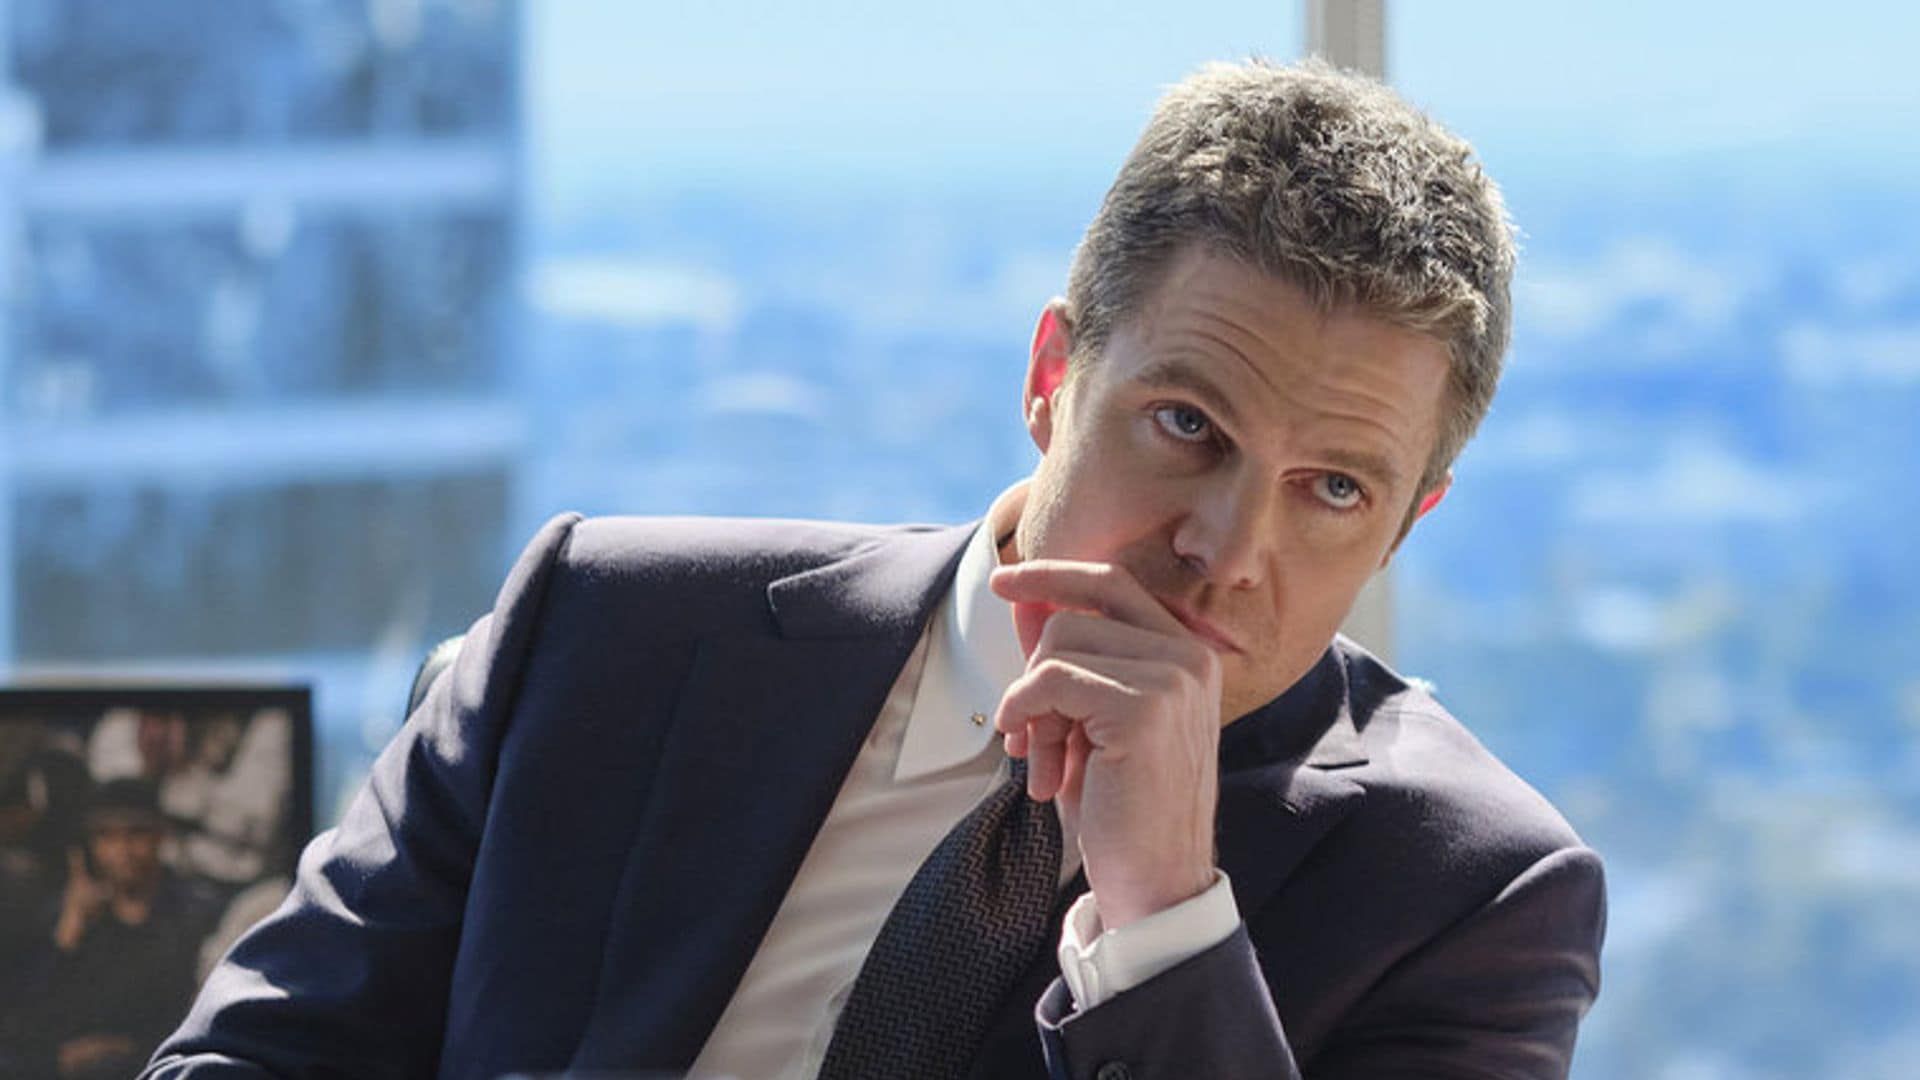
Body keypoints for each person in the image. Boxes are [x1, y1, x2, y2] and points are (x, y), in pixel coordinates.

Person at [145, 59, 1605, 1079]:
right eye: (1187, 426)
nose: (1226, 552)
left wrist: (1164, 917)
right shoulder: (599, 630)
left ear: (1407, 521)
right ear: (1052, 377)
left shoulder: (1472, 894)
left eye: (1333, 489)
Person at [10, 778, 220, 1080]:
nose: (122, 850)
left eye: (136, 834)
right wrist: (70, 929)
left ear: (160, 835)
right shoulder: (70, 915)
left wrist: (127, 1050)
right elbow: (30, 1020)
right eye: (106, 837)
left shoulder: (195, 915)